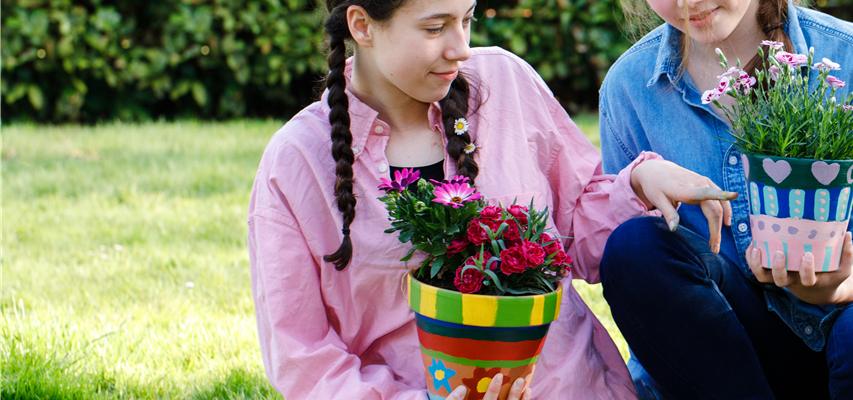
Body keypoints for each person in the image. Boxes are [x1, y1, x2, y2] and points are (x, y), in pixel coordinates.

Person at [246, 0, 737, 399]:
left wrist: (640, 182)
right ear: (362, 25)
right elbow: (302, 355)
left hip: (569, 386)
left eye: (467, 19)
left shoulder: (504, 83)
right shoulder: (297, 166)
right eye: (436, 27)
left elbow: (578, 232)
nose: (461, 48)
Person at [597, 0, 853, 399]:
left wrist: (834, 287)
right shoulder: (630, 87)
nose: (687, 1)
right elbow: (643, 282)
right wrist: (639, 180)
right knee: (634, 245)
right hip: (741, 354)